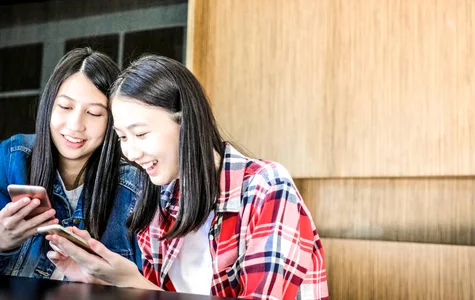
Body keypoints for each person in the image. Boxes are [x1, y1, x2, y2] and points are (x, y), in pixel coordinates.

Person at [45, 55, 329, 299]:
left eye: (141, 134)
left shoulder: (266, 188)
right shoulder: (161, 198)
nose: (130, 152)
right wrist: (101, 282)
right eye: (122, 137)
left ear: (185, 121)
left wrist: (133, 283)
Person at [0, 48, 142, 279]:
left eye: (94, 113)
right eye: (65, 107)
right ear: (49, 106)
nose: (76, 125)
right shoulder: (11, 159)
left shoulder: (135, 187)